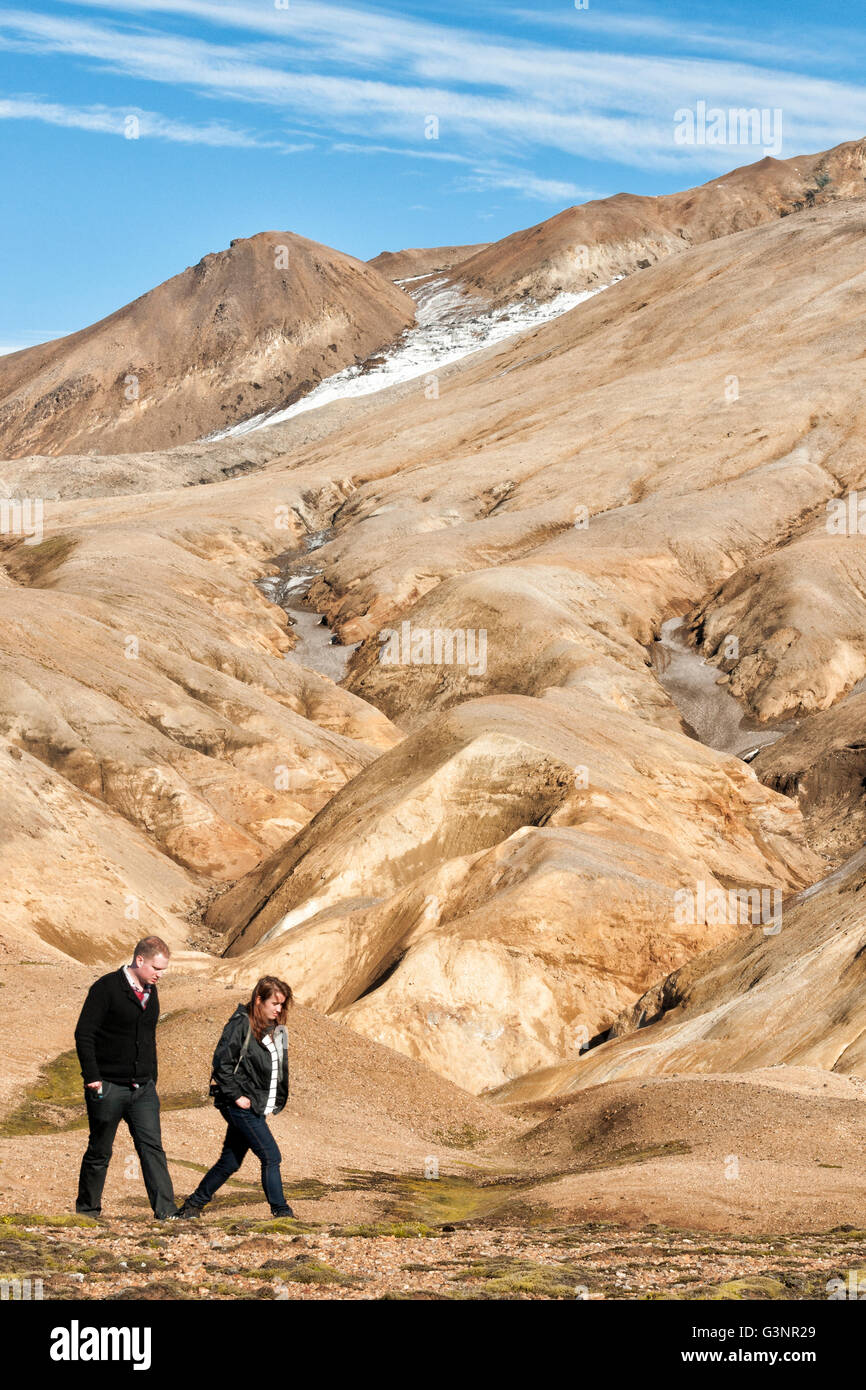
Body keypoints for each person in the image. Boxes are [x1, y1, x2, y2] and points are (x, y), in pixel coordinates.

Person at [74, 936, 179, 1221]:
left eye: (163, 970)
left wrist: (152, 1077)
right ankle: (87, 1212)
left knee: (152, 1148)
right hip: (107, 1086)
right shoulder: (106, 988)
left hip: (143, 1089)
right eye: (156, 968)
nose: (160, 974)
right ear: (140, 960)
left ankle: (167, 1212)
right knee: (100, 1150)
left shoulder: (151, 991)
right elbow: (84, 1034)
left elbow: (148, 1037)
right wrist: (93, 1077)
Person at [177, 976, 295, 1219]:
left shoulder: (277, 1030)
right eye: (274, 1003)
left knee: (230, 1162)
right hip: (240, 1105)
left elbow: (280, 1069)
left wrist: (275, 1101)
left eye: (282, 1004)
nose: (279, 1009)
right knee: (271, 1156)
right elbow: (222, 1064)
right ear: (258, 999)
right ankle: (281, 1212)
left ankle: (191, 1207)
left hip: (257, 1105)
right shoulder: (240, 1024)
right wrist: (238, 1096)